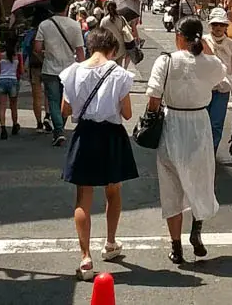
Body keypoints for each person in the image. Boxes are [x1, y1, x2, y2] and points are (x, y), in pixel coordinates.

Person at [59, 29, 139, 281]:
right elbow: (126, 113)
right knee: (113, 191)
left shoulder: (72, 72)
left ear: (90, 46)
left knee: (83, 196)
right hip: (111, 136)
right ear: (113, 49)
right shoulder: (119, 74)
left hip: (85, 134)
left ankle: (85, 258)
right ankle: (111, 243)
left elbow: (65, 110)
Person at [146, 16, 226, 265]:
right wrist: (206, 47)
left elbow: (153, 99)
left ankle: (176, 246)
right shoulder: (211, 64)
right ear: (200, 37)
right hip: (199, 124)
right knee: (200, 179)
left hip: (173, 124)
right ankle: (197, 230)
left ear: (178, 36)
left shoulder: (166, 61)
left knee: (171, 184)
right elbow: (218, 71)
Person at [33, 0, 86, 146]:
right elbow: (80, 51)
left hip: (50, 69)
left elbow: (37, 48)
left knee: (53, 101)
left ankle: (59, 131)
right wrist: (81, 68)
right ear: (67, 6)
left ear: (51, 6)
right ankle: (60, 128)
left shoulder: (44, 25)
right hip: (69, 70)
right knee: (66, 100)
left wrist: (45, 56)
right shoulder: (74, 25)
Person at [205, 8, 232, 152]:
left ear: (225, 27)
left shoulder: (229, 43)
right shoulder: (204, 41)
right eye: (215, 24)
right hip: (204, 88)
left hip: (222, 87)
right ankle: (200, 152)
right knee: (202, 123)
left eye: (221, 25)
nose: (218, 28)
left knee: (216, 122)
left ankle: (212, 152)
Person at [21, 20, 50, 133]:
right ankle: (47, 116)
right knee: (49, 93)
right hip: (48, 66)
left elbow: (25, 50)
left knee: (36, 96)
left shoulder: (31, 34)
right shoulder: (48, 32)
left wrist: (23, 64)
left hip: (34, 66)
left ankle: (39, 123)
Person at [0, 39, 22, 140]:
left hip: (2, 81)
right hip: (13, 82)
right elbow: (21, 70)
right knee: (13, 106)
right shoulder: (18, 56)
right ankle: (15, 125)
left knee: (2, 107)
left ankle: (3, 129)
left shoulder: (0, 56)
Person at [99, 0, 129, 66]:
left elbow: (100, 32)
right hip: (120, 44)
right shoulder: (121, 19)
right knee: (119, 65)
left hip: (109, 45)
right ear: (116, 8)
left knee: (108, 66)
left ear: (107, 8)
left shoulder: (104, 20)